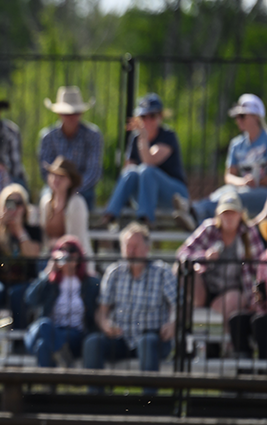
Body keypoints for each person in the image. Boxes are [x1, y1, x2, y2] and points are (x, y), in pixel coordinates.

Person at [83, 223, 176, 387]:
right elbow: (102, 311)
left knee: (147, 342)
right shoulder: (113, 272)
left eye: (136, 246)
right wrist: (105, 325)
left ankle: (148, 405)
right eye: (127, 246)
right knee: (93, 342)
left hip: (153, 339)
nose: (131, 251)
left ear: (147, 249)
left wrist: (173, 324)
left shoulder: (162, 272)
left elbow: (179, 305)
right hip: (121, 338)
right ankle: (95, 403)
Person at [176, 193, 265, 357]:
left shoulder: (248, 234)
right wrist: (204, 257)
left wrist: (255, 299)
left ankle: (220, 347)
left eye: (233, 213)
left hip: (235, 290)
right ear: (218, 214)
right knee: (183, 269)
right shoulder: (209, 229)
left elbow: (258, 269)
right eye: (225, 213)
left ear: (241, 214)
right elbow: (182, 253)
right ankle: (198, 337)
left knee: (226, 304)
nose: (229, 217)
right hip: (204, 289)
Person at [179, 94, 267, 228]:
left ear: (256, 116)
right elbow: (229, 176)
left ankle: (194, 212)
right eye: (236, 117)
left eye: (242, 116)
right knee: (223, 193)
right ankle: (196, 216)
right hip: (242, 190)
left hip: (263, 194)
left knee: (232, 198)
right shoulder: (237, 144)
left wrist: (258, 181)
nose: (238, 120)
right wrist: (243, 182)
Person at [100, 94, 187, 227]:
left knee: (147, 170)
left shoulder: (168, 136)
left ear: (160, 116)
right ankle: (109, 216)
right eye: (143, 117)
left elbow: (149, 161)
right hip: (145, 196)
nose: (147, 121)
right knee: (131, 172)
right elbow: (128, 170)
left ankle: (144, 221)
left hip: (174, 196)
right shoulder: (135, 138)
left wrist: (143, 138)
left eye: (152, 116)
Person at [0, 184, 42, 354]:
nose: (14, 207)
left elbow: (32, 254)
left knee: (18, 293)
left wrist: (19, 230)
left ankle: (20, 345)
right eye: (9, 203)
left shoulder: (33, 230)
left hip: (24, 282)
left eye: (18, 203)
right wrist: (1, 223)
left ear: (25, 207)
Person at [24, 236, 100, 367]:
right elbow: (30, 299)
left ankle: (58, 359)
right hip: (52, 330)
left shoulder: (90, 283)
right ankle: (61, 361)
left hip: (76, 334)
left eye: (71, 250)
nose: (66, 254)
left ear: (79, 255)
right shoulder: (51, 282)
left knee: (42, 331)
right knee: (43, 341)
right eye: (61, 250)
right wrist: (48, 271)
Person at [38, 86, 104, 208]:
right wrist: (59, 187)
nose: (72, 117)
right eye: (67, 113)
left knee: (81, 201)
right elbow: (45, 171)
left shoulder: (93, 135)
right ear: (59, 114)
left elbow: (93, 171)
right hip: (54, 186)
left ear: (82, 113)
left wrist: (73, 188)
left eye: (76, 113)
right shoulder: (47, 136)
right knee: (46, 201)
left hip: (83, 189)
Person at [38, 157, 93, 258]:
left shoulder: (77, 203)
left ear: (70, 181)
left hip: (72, 260)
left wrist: (55, 244)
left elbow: (75, 241)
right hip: (49, 257)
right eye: (54, 175)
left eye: (62, 176)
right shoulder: (45, 202)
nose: (56, 179)